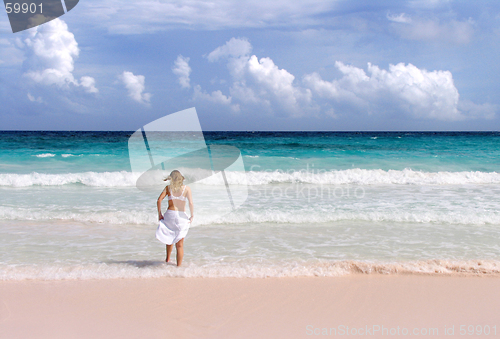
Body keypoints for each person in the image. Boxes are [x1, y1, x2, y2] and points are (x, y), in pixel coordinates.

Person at [156, 170, 194, 266]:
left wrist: (159, 214)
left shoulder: (168, 188)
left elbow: (159, 200)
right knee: (180, 244)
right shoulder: (187, 189)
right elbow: (190, 203)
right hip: (181, 217)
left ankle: (167, 260)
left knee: (169, 238)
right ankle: (178, 267)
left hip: (170, 215)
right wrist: (192, 215)